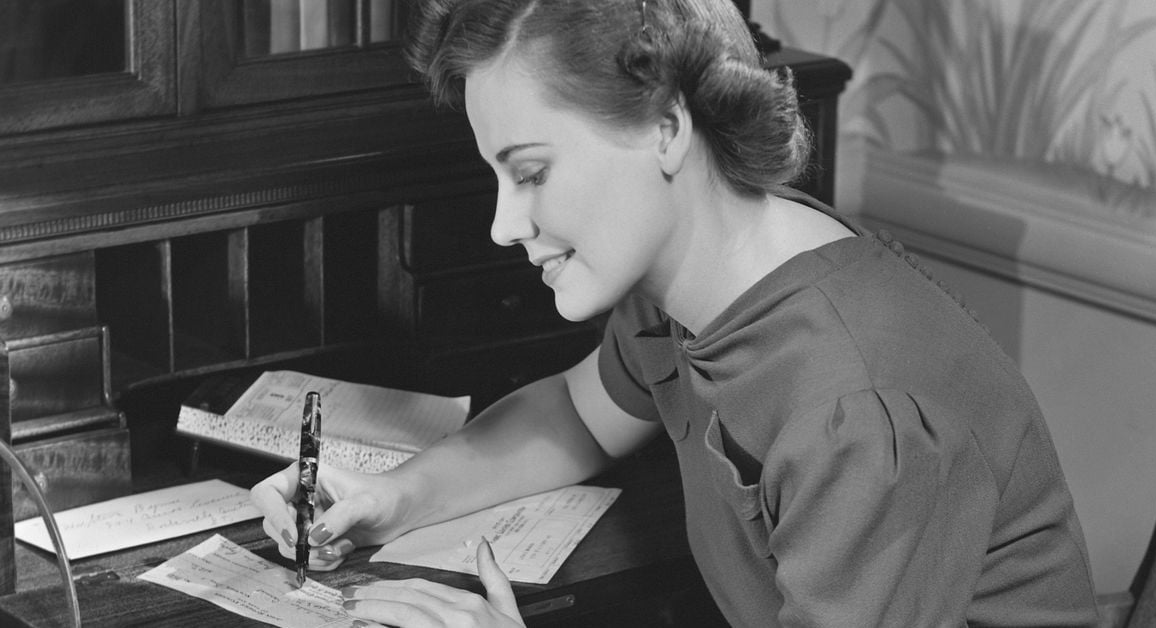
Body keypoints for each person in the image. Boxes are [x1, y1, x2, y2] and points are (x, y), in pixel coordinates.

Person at [250, 0, 1100, 625]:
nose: (505, 225)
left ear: (665, 126)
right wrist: (389, 501)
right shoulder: (701, 282)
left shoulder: (857, 412)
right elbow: (579, 414)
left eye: (533, 172)